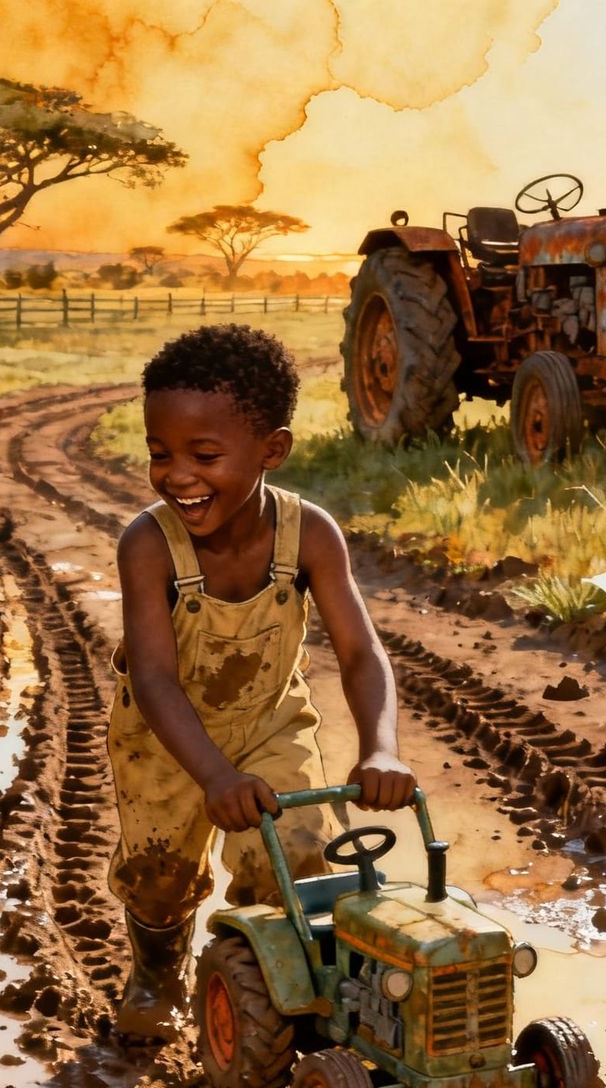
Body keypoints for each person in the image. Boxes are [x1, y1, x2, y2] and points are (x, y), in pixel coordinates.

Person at [108, 323, 416, 1042]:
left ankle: (289, 999)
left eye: (204, 455)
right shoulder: (148, 546)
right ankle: (156, 971)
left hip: (271, 728)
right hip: (166, 744)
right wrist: (213, 775)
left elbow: (361, 652)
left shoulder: (308, 535)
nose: (177, 474)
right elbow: (152, 679)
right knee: (160, 881)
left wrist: (381, 748)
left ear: (271, 450)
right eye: (161, 454)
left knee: (298, 857)